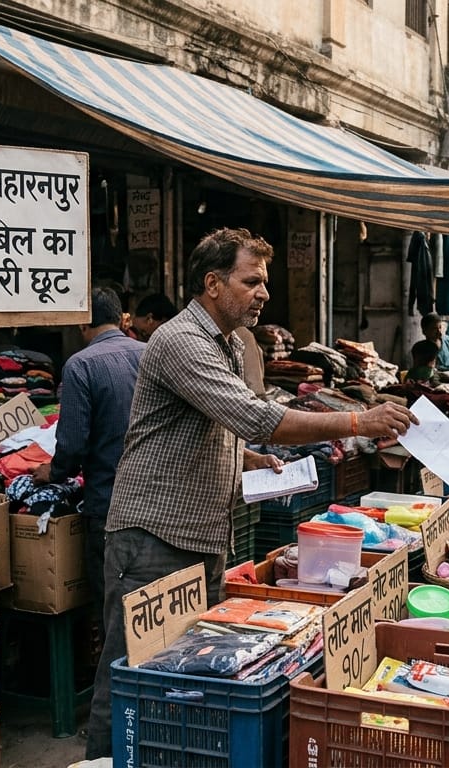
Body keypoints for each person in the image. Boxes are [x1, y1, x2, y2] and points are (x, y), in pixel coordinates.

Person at [85, 228, 417, 758]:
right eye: (252, 280)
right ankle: (101, 758)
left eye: (264, 281)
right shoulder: (180, 341)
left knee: (188, 673)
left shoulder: (228, 343)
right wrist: (358, 418)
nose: (263, 292)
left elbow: (209, 422)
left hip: (202, 532)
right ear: (213, 284)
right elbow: (252, 415)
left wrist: (244, 457)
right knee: (130, 673)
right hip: (152, 534)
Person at [33, 286, 145, 641]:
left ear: (83, 324)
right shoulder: (149, 353)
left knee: (112, 607)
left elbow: (73, 444)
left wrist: (52, 472)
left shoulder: (81, 364)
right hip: (158, 502)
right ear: (121, 318)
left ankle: (112, 681)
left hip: (110, 506)